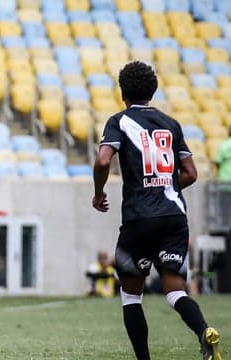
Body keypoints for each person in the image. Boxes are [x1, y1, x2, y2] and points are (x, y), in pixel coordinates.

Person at [92, 60, 222, 360]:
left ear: (122, 91)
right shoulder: (170, 123)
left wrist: (98, 194)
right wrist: (165, 186)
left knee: (130, 295)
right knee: (175, 290)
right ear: (154, 90)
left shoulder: (119, 121)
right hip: (174, 216)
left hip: (139, 217)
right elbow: (190, 173)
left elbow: (102, 161)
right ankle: (203, 331)